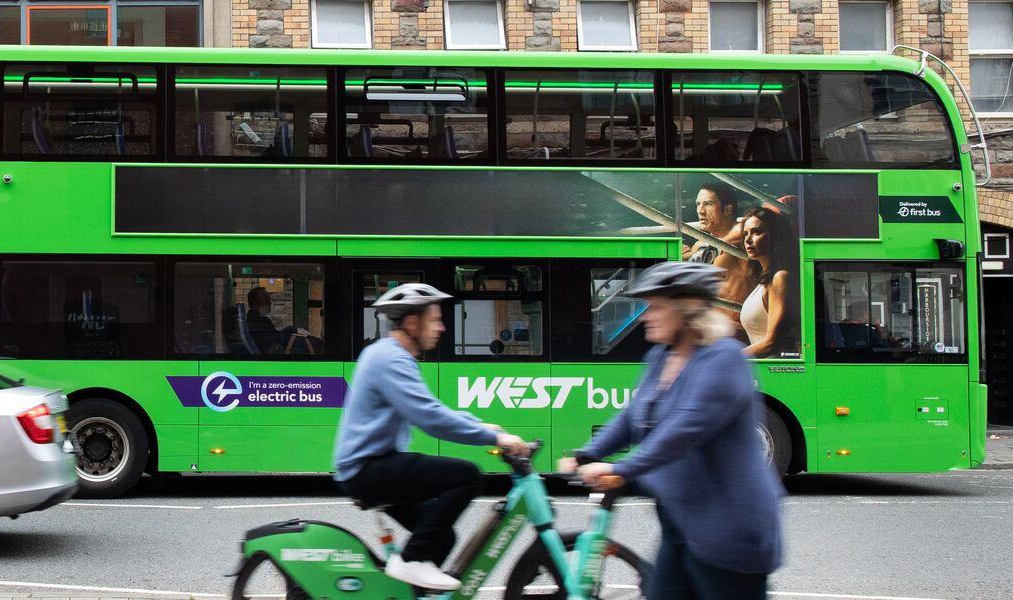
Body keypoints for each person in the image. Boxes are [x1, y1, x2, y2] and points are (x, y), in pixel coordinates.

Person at [562, 261, 784, 599]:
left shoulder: (725, 359)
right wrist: (586, 455)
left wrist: (621, 470)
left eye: (656, 307)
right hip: (682, 521)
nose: (645, 316)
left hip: (730, 526)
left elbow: (685, 429)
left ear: (686, 309)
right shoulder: (660, 358)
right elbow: (631, 417)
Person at [334, 283, 528, 590]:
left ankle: (408, 588)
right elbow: (430, 418)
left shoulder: (388, 354)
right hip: (367, 468)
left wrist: (480, 425)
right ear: (412, 323)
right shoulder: (390, 359)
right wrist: (493, 439)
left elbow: (431, 407)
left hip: (371, 465)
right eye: (435, 320)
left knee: (442, 537)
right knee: (466, 476)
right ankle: (412, 561)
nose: (442, 327)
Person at [738, 206, 801, 358]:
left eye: (756, 232)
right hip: (762, 369)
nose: (747, 240)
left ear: (775, 236)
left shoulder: (781, 278)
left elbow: (772, 343)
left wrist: (727, 359)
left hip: (775, 369)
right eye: (745, 234)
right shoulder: (765, 281)